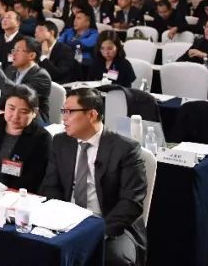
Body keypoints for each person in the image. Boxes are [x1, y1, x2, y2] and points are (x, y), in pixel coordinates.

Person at [40, 88, 147, 266]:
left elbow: (131, 203)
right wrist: (60, 218)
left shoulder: (126, 149)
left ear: (91, 115)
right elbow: (50, 186)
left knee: (117, 260)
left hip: (111, 225)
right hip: (67, 220)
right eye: (63, 111)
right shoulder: (60, 142)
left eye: (69, 112)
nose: (63, 118)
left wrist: (95, 231)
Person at [0, 37, 52, 122]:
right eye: (13, 50)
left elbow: (19, 95)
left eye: (18, 50)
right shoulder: (11, 69)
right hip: (8, 117)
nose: (13, 54)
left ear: (31, 55)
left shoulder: (42, 76)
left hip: (32, 121)